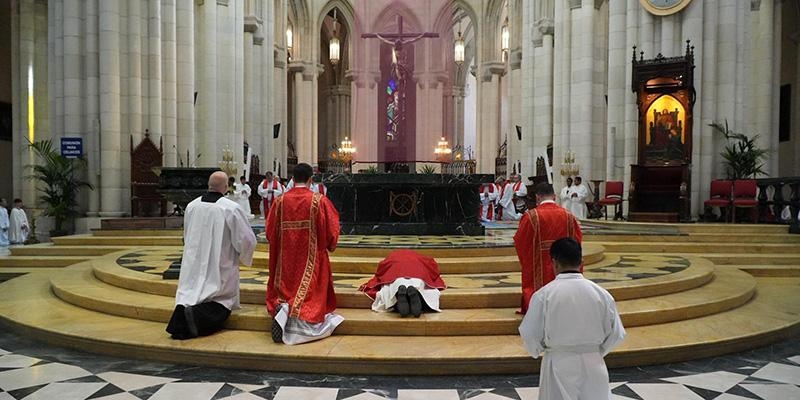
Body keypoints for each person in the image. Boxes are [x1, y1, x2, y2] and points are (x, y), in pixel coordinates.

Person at [519, 237, 626, 400]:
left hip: (558, 363)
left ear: (554, 263)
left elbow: (530, 332)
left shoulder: (544, 295)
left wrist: (539, 350)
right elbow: (617, 333)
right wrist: (595, 351)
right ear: (581, 261)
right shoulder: (601, 294)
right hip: (594, 363)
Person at [166, 171, 256, 340]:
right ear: (225, 187)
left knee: (191, 293)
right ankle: (193, 319)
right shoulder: (231, 208)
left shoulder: (192, 206)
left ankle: (181, 316)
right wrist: (243, 255)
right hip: (220, 262)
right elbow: (247, 239)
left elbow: (186, 233)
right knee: (221, 299)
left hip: (194, 261)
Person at [266, 163, 343, 345]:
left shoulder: (279, 202)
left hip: (284, 261)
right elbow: (332, 231)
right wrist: (330, 244)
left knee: (285, 289)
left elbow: (270, 233)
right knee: (310, 295)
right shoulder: (319, 201)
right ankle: (297, 322)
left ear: (292, 179)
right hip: (313, 259)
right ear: (311, 179)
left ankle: (284, 308)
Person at [514, 183, 583, 314]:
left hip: (538, 266)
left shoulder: (531, 216)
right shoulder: (568, 216)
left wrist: (528, 259)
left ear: (537, 197)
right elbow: (577, 241)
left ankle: (536, 311)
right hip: (564, 261)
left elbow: (520, 241)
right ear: (555, 197)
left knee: (539, 290)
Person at [359, 249, 447, 317]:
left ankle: (398, 299)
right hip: (418, 273)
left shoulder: (392, 257)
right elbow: (433, 268)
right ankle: (418, 297)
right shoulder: (420, 259)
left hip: (396, 274)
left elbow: (381, 270)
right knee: (423, 289)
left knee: (391, 287)